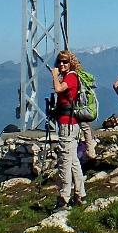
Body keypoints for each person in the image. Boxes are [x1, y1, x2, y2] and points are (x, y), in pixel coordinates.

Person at [51, 50, 87, 209]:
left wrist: (54, 75)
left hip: (67, 125)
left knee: (65, 161)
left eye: (65, 61)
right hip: (70, 124)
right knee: (73, 161)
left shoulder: (71, 77)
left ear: (71, 62)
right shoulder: (71, 76)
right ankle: (81, 194)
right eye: (59, 61)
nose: (61, 64)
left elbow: (58, 89)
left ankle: (64, 199)